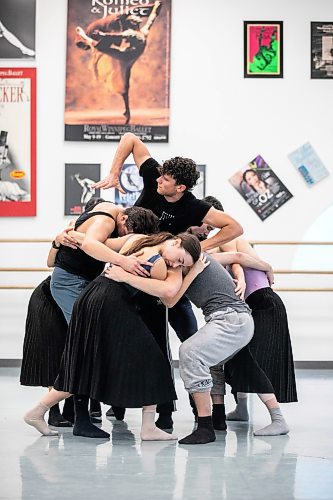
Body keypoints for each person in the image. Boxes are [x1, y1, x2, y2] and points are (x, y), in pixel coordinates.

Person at [94, 132, 243, 428]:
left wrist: (196, 249)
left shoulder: (193, 206)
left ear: (181, 186)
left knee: (186, 335)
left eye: (166, 179)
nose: (158, 180)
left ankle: (198, 410)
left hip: (166, 272)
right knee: (133, 339)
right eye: (159, 176)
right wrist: (113, 174)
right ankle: (120, 404)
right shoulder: (153, 176)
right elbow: (129, 138)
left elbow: (234, 227)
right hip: (135, 267)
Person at [24, 232, 201, 441]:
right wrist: (190, 273)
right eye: (179, 259)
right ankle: (148, 427)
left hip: (93, 296)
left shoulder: (139, 239)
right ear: (176, 242)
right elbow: (169, 293)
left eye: (181, 264)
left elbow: (96, 242)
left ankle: (36, 412)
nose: (176, 264)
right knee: (154, 361)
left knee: (85, 365)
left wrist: (71, 235)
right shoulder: (159, 263)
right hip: (109, 302)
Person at [107, 251, 273, 444]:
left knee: (191, 353)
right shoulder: (188, 260)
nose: (174, 262)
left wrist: (256, 271)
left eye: (180, 260)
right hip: (231, 318)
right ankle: (216, 419)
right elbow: (236, 257)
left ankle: (206, 426)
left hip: (232, 319)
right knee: (222, 365)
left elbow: (170, 299)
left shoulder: (192, 261)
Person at [21, 199, 159, 426]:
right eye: (127, 233)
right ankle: (65, 414)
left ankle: (74, 412)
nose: (125, 238)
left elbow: (89, 242)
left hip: (78, 282)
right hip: (69, 284)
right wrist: (123, 260)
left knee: (86, 345)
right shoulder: (105, 219)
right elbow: (90, 245)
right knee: (85, 345)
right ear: (123, 219)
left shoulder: (104, 214)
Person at [193, 195, 297, 436]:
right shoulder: (218, 242)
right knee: (236, 356)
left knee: (248, 360)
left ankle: (278, 419)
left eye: (209, 224)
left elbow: (238, 261)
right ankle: (242, 408)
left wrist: (249, 274)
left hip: (263, 303)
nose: (207, 229)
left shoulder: (228, 236)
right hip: (254, 304)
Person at [75, 1, 161, 123]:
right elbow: (150, 19)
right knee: (124, 84)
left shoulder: (135, 32)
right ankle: (127, 110)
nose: (137, 17)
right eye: (134, 17)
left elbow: (117, 36)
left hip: (127, 56)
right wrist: (156, 8)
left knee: (103, 50)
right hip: (128, 56)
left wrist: (102, 34)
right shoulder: (139, 31)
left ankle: (85, 38)